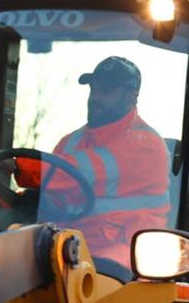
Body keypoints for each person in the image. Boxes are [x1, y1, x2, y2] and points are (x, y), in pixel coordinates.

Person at [16, 56, 173, 267]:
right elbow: (56, 197)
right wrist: (18, 202)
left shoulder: (145, 143)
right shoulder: (72, 141)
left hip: (122, 254)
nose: (95, 98)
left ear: (131, 97)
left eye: (105, 91)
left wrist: (19, 166)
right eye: (93, 89)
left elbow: (78, 172)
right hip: (69, 248)